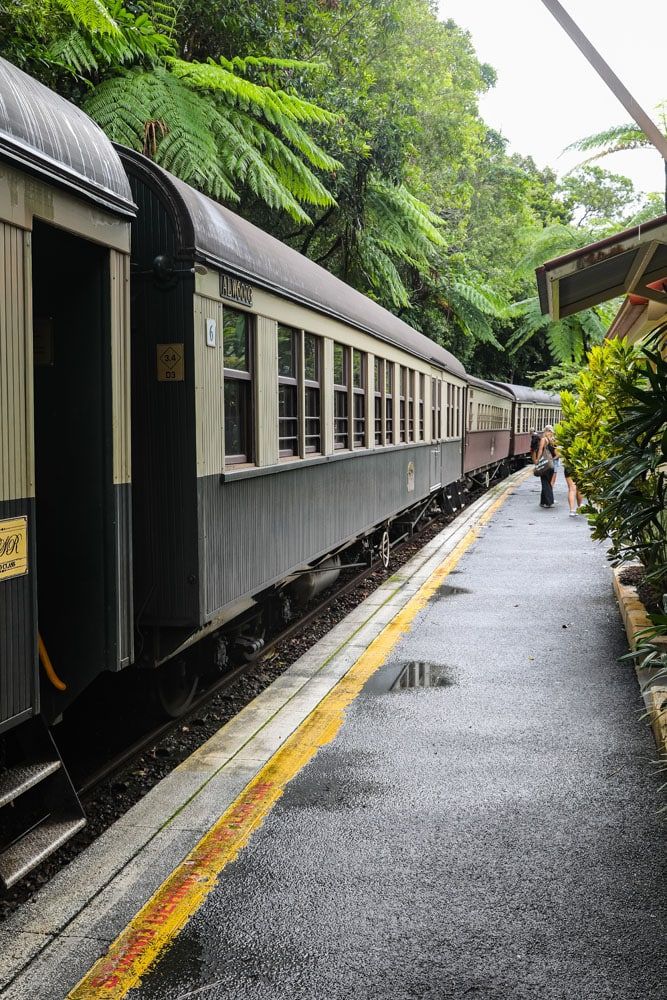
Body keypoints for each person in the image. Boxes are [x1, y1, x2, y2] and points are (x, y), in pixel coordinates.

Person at [536, 425, 557, 508]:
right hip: (551, 465)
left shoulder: (544, 440)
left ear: (545, 431)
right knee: (547, 482)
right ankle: (542, 501)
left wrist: (537, 460)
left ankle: (549, 502)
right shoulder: (554, 441)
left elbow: (540, 450)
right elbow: (558, 453)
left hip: (545, 464)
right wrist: (552, 459)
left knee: (545, 482)